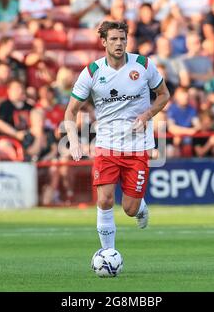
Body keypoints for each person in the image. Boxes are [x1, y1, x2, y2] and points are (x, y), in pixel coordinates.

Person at [64, 21, 170, 250]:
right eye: (113, 39)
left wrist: (148, 114)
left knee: (129, 208)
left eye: (123, 38)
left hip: (138, 146)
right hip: (106, 145)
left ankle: (140, 209)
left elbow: (163, 95)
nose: (119, 43)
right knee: (104, 200)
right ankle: (108, 252)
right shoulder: (92, 72)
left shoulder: (143, 65)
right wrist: (73, 141)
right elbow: (70, 111)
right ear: (103, 42)